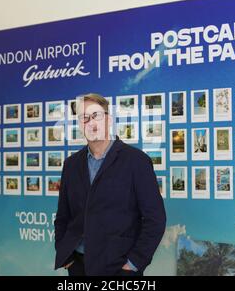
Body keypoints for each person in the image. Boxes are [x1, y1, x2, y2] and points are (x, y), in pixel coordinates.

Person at [54, 93, 166, 276]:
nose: (90, 122)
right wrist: (66, 256)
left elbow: (156, 219)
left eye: (96, 115)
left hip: (119, 268)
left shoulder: (137, 162)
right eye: (84, 117)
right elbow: (62, 217)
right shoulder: (71, 165)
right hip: (78, 267)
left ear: (109, 119)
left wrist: (133, 263)